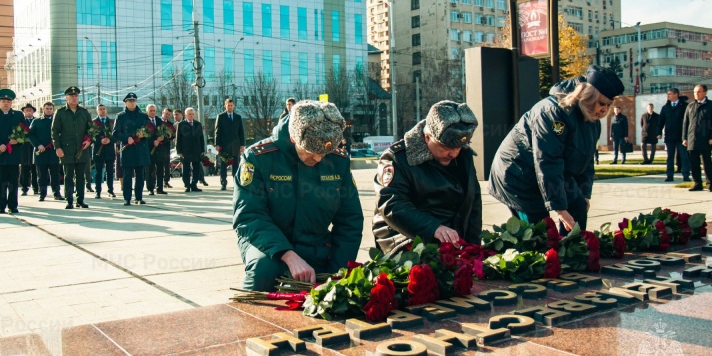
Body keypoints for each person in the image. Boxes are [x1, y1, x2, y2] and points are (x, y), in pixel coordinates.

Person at [233, 100, 363, 291]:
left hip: (316, 244)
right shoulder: (259, 157)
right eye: (311, 152)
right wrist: (289, 255)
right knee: (263, 271)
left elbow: (350, 220)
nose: (319, 158)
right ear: (294, 138)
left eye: (324, 153)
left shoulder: (337, 160)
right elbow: (249, 216)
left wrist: (338, 271)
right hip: (269, 246)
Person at [489, 66, 624, 234]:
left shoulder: (592, 121)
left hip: (550, 173)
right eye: (602, 103)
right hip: (519, 174)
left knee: (578, 211)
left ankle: (569, 255)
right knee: (538, 231)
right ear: (589, 96)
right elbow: (548, 159)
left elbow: (587, 159)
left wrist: (584, 194)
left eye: (609, 105)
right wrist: (559, 207)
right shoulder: (553, 112)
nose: (604, 110)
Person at [373, 100, 482, 252]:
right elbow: (392, 205)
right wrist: (433, 228)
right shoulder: (397, 158)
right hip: (404, 238)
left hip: (451, 240)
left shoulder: (463, 155)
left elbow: (473, 203)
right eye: (446, 147)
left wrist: (474, 248)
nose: (454, 153)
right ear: (427, 137)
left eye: (458, 147)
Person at [0, 89, 26, 214]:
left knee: (13, 180)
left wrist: (18, 140)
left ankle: (13, 205)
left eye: (8, 101)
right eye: (3, 101)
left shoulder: (18, 115)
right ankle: (0, 205)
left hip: (13, 153)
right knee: (0, 181)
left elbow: (25, 131)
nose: (6, 103)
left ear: (11, 103)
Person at [52, 86, 93, 209]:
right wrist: (57, 147)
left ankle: (80, 200)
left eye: (76, 96)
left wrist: (89, 141)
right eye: (71, 96)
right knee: (68, 176)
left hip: (82, 149)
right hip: (66, 149)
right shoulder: (60, 112)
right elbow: (54, 131)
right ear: (66, 97)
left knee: (81, 176)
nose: (74, 98)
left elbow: (91, 129)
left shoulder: (84, 112)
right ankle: (69, 200)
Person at [113, 93, 150, 205]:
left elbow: (150, 130)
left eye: (134, 100)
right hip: (127, 149)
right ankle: (127, 198)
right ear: (125, 102)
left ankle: (139, 197)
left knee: (140, 175)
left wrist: (145, 134)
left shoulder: (143, 116)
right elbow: (115, 133)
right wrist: (126, 138)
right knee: (127, 175)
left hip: (140, 149)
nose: (132, 102)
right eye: (130, 101)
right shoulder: (121, 116)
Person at [683, 84, 712, 192]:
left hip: (706, 139)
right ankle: (697, 183)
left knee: (706, 162)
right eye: (695, 92)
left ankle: (710, 184)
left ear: (705, 92)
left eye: (699, 92)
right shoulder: (690, 106)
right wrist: (684, 138)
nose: (696, 94)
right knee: (694, 163)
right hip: (692, 138)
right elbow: (685, 123)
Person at [29, 102, 63, 201]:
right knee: (41, 175)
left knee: (55, 174)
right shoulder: (37, 121)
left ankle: (56, 193)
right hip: (41, 152)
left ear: (53, 110)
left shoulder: (57, 121)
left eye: (50, 108)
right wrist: (37, 144)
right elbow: (31, 135)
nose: (48, 110)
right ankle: (42, 193)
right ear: (43, 109)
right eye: (47, 108)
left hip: (54, 152)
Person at [658, 88, 690, 182]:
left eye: (670, 94)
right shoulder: (665, 107)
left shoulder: (685, 106)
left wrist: (687, 135)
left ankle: (686, 175)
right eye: (668, 94)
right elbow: (661, 121)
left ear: (676, 94)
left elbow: (688, 121)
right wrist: (659, 132)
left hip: (681, 136)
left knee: (684, 156)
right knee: (670, 157)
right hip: (669, 136)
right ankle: (669, 175)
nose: (668, 96)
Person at [214, 98, 245, 190]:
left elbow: (241, 132)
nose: (230, 107)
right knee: (224, 164)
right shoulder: (221, 117)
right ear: (225, 106)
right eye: (228, 105)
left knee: (236, 164)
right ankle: (223, 183)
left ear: (234, 106)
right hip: (224, 145)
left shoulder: (238, 117)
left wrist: (242, 144)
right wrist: (217, 144)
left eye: (231, 105)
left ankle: (236, 183)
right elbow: (217, 131)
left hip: (235, 145)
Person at [175, 107, 205, 192]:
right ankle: (187, 185)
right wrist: (179, 151)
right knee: (186, 168)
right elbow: (178, 139)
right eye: (189, 114)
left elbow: (201, 138)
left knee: (196, 168)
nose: (191, 116)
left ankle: (194, 184)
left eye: (192, 114)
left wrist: (203, 150)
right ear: (185, 115)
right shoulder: (181, 125)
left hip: (196, 149)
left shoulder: (198, 124)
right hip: (186, 150)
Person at [91, 104, 116, 198]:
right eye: (100, 109)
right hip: (98, 150)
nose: (102, 111)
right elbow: (90, 136)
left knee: (110, 172)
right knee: (98, 172)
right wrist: (99, 140)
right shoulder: (93, 122)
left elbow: (116, 135)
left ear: (106, 110)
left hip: (109, 150)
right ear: (97, 111)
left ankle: (111, 190)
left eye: (104, 109)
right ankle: (98, 191)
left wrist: (110, 140)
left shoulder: (112, 122)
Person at [145, 104, 171, 196]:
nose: (152, 112)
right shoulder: (145, 121)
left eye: (154, 110)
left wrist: (162, 138)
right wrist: (153, 141)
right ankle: (150, 188)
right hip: (149, 149)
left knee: (160, 169)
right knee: (150, 170)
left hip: (160, 149)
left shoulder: (159, 120)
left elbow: (166, 133)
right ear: (147, 111)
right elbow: (143, 134)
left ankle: (160, 188)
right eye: (150, 110)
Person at [18, 103, 38, 196]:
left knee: (35, 168)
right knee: (24, 168)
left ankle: (36, 187)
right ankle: (24, 187)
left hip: (35, 146)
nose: (28, 112)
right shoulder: (21, 122)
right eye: (26, 110)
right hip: (24, 147)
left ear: (33, 111)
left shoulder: (37, 121)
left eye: (30, 110)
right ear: (23, 112)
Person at [161, 107, 174, 188]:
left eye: (169, 115)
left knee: (166, 164)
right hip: (157, 146)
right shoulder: (158, 121)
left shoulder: (170, 124)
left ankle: (166, 181)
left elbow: (173, 135)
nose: (167, 116)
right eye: (166, 114)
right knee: (157, 165)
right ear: (162, 112)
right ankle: (156, 181)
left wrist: (170, 136)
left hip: (166, 146)